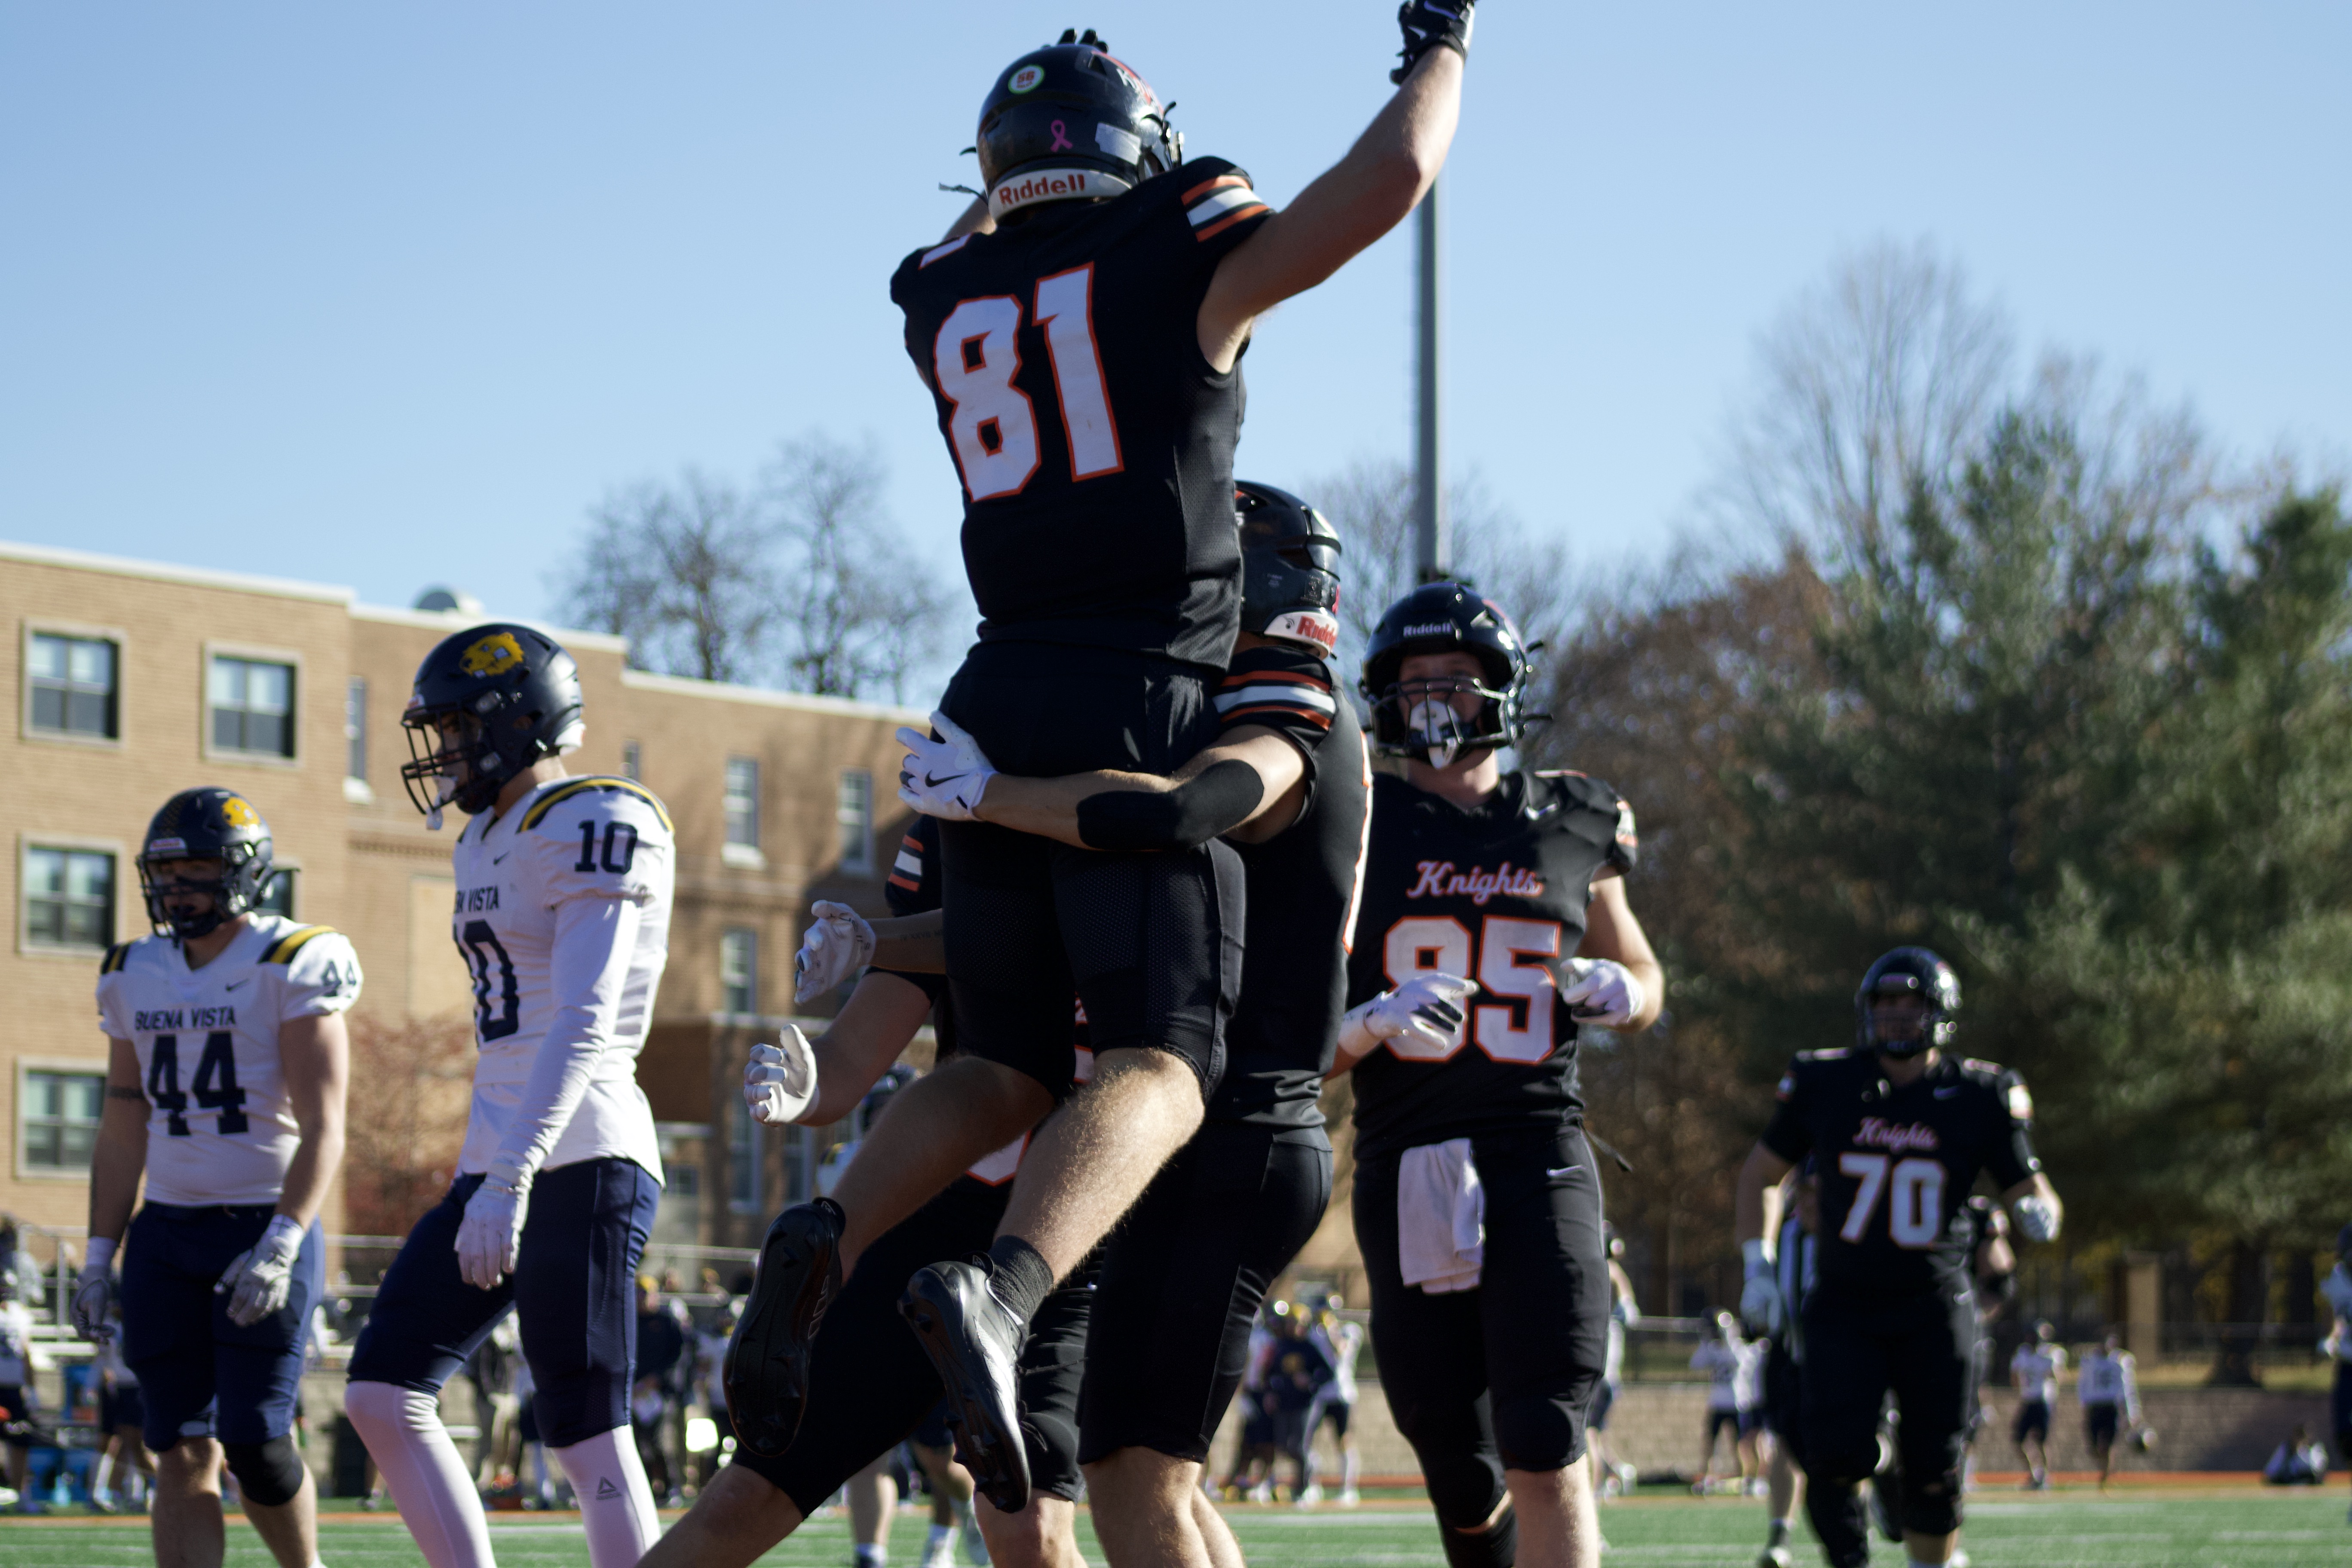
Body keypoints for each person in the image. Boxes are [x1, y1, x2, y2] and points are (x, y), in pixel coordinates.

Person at [728, 7, 1479, 1518]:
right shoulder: (1173, 246)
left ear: (998, 170)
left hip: (989, 682)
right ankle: (1000, 1292)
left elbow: (981, 228)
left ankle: (833, 1223)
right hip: (1136, 678)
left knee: (1003, 1065)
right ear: (1142, 156)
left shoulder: (944, 290)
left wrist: (1018, 163)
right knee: (1155, 1063)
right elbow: (1387, 183)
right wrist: (1440, 54)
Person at [889, 480, 1368, 1562]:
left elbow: (1170, 810)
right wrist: (879, 941)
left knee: (1134, 1482)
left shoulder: (1285, 716)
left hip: (1233, 1127)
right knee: (1147, 1478)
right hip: (1178, 1133)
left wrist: (993, 790)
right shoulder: (1234, 702)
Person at [652, 815, 1095, 1568]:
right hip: (954, 1202)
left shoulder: (1153, 791)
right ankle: (833, 1238)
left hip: (1084, 1215)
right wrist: (809, 1081)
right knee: (749, 1491)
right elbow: (858, 1046)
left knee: (1036, 1523)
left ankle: (836, 1233)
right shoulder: (956, 813)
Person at [1335, 581, 1665, 1568]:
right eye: (1414, 678)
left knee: (1544, 1433)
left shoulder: (1574, 816)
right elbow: (1293, 1037)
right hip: (1404, 1159)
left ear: (1503, 691)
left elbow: (1645, 978)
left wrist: (1623, 990)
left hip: (1538, 1148)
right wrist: (1366, 1022)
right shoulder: (1349, 822)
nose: (1434, 697)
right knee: (1454, 1455)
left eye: (1457, 678)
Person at [344, 623, 675, 1568]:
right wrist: (486, 1172)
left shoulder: (595, 818)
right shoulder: (487, 837)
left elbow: (584, 1019)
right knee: (381, 1393)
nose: (442, 755)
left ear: (515, 722)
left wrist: (510, 1179)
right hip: (502, 1160)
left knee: (582, 1432)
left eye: (454, 731)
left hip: (585, 1150)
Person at [69, 787, 355, 1564]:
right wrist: (99, 1256)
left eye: (197, 869)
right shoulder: (134, 969)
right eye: (166, 872)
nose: (176, 888)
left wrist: (283, 1241)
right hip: (165, 1232)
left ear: (244, 872)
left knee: (256, 1439)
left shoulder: (290, 959)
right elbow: (124, 1116)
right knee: (178, 1447)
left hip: (260, 1220)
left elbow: (327, 1125)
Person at [1733, 946, 2064, 1568]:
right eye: (1885, 1005)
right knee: (1830, 1455)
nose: (1896, 1018)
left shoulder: (1980, 1093)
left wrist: (2040, 1210)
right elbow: (1760, 1175)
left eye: (1911, 1005)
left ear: (1939, 1013)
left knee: (1936, 1466)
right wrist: (1758, 1264)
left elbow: (2030, 1186)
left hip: (1935, 1305)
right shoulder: (1826, 1081)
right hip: (1845, 1301)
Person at [1753, 1167, 1819, 1568]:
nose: (1808, 1201)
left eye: (1816, 1192)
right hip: (1791, 1354)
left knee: (1850, 1444)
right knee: (1784, 1442)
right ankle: (1780, 1533)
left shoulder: (1849, 1233)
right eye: (1804, 1192)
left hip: (1845, 1358)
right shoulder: (1785, 1237)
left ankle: (1865, 1511)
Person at [90, 1308, 156, 1514]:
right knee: (123, 1443)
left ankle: (155, 1488)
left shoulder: (145, 1323)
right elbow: (104, 1356)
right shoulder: (111, 1325)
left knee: (138, 1445)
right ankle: (121, 1493)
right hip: (120, 1388)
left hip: (138, 1387)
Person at [1303, 1295, 1365, 1506]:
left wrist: (1331, 1328)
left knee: (1344, 1441)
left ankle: (1348, 1489)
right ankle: (1311, 1485)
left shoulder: (1350, 1330)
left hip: (1342, 1393)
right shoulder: (1313, 1333)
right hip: (1320, 1395)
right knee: (1308, 1440)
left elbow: (1340, 1351)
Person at [2077, 1332, 2139, 1490]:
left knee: (2108, 1445)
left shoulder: (2121, 1361)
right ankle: (2105, 1470)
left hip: (2111, 1406)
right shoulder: (2090, 1361)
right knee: (2093, 1448)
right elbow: (2083, 1384)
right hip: (2094, 1406)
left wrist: (2133, 1412)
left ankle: (2105, 1479)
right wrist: (2084, 1404)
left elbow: (2129, 1388)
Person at [2008, 1322, 2064, 1491]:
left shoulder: (2051, 1354)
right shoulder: (2023, 1353)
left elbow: (2059, 1377)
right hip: (2028, 1400)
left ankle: (2045, 1477)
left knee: (2042, 1442)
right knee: (2018, 1440)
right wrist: (2021, 1392)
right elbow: (2015, 1375)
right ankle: (2035, 1474)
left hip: (2043, 1401)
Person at [2321, 1224, 2352, 1525]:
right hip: (2347, 1365)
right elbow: (2339, 1319)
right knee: (2345, 1434)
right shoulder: (2337, 1281)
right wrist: (2332, 1340)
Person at [2263, 1423, 2328, 1485]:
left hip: (2309, 1481)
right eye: (2298, 1436)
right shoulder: (2286, 1448)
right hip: (2288, 1481)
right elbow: (2271, 1470)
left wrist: (2300, 1453)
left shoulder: (2315, 1447)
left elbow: (2317, 1469)